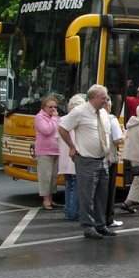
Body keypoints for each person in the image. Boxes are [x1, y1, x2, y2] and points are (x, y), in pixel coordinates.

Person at [58, 84, 114, 240]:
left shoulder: (102, 113)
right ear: (93, 97)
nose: (106, 100)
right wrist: (71, 146)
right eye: (103, 97)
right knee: (87, 195)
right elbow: (62, 128)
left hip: (102, 159)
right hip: (86, 160)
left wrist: (108, 154)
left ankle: (100, 224)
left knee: (102, 195)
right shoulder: (80, 112)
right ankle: (89, 227)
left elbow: (105, 135)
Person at [57, 94, 86, 221]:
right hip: (75, 159)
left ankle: (68, 210)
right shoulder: (79, 121)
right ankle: (74, 212)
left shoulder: (62, 120)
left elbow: (56, 138)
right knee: (76, 187)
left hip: (64, 160)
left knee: (69, 186)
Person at [35, 95, 61, 210]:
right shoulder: (40, 117)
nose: (53, 109)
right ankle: (46, 200)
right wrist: (54, 119)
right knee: (45, 177)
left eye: (55, 107)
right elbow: (46, 130)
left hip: (56, 151)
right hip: (44, 151)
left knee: (53, 177)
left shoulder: (55, 118)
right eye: (50, 107)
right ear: (44, 107)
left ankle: (50, 198)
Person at [104, 95, 125, 228]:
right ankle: (109, 218)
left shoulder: (95, 118)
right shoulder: (112, 119)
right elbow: (118, 140)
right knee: (110, 190)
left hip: (98, 158)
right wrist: (125, 133)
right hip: (111, 158)